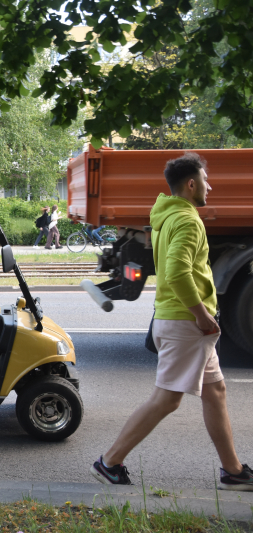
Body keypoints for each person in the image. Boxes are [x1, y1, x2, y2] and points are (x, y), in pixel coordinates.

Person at [90, 153, 253, 490]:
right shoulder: (188, 220)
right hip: (185, 324)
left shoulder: (168, 216)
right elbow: (178, 272)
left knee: (216, 392)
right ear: (191, 184)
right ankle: (109, 462)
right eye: (206, 180)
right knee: (167, 399)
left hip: (181, 323)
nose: (211, 185)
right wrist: (203, 315)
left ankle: (232, 471)